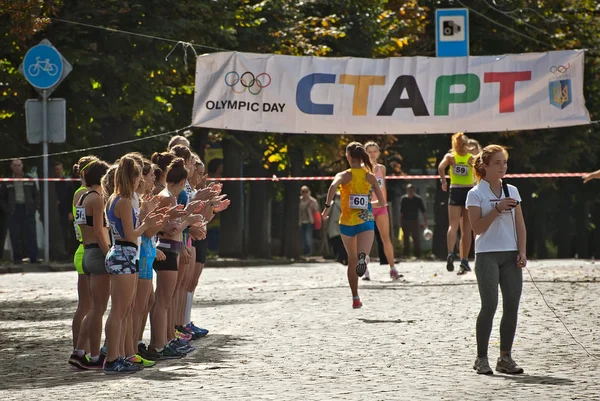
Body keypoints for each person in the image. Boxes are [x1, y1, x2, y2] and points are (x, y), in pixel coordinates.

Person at [466, 145, 526, 375]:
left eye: (505, 162)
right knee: (489, 306)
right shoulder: (475, 194)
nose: (503, 167)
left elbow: (520, 224)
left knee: (512, 306)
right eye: (498, 163)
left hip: (510, 255)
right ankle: (481, 358)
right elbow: (477, 228)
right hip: (487, 256)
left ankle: (505, 357)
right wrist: (497, 209)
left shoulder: (512, 190)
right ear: (485, 166)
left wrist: (522, 251)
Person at [103, 156, 165, 374]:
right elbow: (131, 234)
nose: (140, 179)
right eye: (139, 175)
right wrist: (146, 223)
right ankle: (112, 358)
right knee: (120, 310)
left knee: (126, 310)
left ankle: (119, 354)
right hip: (124, 253)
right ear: (133, 176)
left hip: (124, 254)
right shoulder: (123, 200)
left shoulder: (115, 198)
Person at [322, 142, 385, 309]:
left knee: (351, 260)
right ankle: (363, 257)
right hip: (365, 220)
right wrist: (368, 204)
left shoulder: (344, 175)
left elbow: (332, 186)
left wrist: (327, 208)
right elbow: (382, 202)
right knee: (361, 254)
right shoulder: (369, 176)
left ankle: (355, 298)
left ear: (348, 157)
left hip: (347, 223)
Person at [70, 159, 111, 370]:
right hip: (96, 253)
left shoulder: (83, 196)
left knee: (93, 307)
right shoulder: (96, 199)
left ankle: (79, 351)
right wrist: (109, 254)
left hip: (86, 252)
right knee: (98, 308)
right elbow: (99, 231)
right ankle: (93, 355)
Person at [68, 155, 97, 368]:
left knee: (88, 304)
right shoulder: (83, 194)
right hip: (85, 247)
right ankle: (79, 348)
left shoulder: (84, 193)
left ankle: (81, 347)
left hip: (84, 247)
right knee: (86, 305)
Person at [438, 132, 475, 275]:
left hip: (455, 190)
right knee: (466, 229)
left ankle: (450, 252)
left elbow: (441, 167)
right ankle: (464, 259)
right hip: (468, 191)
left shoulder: (450, 157)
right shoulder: (470, 158)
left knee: (452, 225)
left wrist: (443, 181)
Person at [364, 142, 400, 280]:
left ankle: (393, 269)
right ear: (365, 154)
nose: (372, 154)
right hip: (367, 207)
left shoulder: (382, 169)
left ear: (378, 153)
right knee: (366, 240)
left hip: (381, 208)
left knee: (386, 239)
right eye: (369, 152)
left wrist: (381, 202)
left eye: (374, 151)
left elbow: (382, 187)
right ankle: (365, 270)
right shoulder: (362, 170)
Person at [1, 159, 39, 264]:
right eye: (15, 165)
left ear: (22, 166)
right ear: (11, 167)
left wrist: (34, 207)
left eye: (19, 165)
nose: (17, 167)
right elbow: (2, 197)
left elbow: (36, 195)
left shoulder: (29, 179)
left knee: (31, 234)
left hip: (27, 209)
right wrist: (7, 209)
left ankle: (33, 257)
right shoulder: (7, 180)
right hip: (13, 210)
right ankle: (17, 258)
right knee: (14, 235)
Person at [399, 184, 428, 258]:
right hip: (405, 221)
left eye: (411, 190)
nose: (410, 192)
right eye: (408, 190)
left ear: (414, 191)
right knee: (406, 238)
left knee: (416, 238)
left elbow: (423, 211)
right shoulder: (404, 199)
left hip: (415, 221)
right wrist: (400, 223)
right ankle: (406, 254)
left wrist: (425, 223)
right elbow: (401, 212)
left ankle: (417, 254)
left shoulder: (418, 199)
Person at [326, 191, 347, 265]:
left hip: (333, 227)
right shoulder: (345, 204)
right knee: (344, 244)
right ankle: (344, 258)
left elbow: (326, 214)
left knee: (336, 244)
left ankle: (339, 257)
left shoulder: (332, 204)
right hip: (344, 225)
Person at [298, 186, 319, 257]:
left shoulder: (313, 201)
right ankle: (303, 252)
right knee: (302, 238)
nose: (304, 193)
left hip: (310, 221)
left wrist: (311, 208)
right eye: (303, 191)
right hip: (301, 221)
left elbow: (317, 210)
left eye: (306, 191)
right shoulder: (299, 200)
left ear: (309, 192)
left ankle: (308, 252)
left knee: (308, 237)